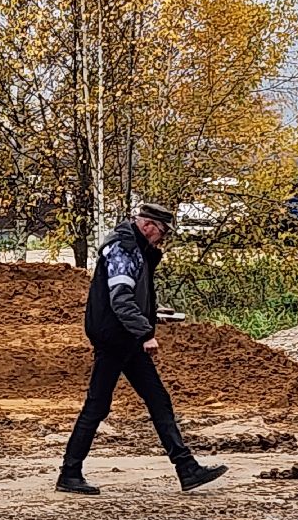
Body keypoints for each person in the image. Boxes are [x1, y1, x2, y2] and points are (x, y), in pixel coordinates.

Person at [57, 203, 227, 495]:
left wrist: (151, 312)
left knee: (157, 400)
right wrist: (145, 332)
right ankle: (69, 473)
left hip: (125, 337)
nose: (162, 238)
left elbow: (129, 296)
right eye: (161, 232)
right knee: (98, 406)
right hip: (115, 338)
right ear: (148, 225)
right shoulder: (123, 250)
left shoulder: (134, 248)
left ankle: (186, 468)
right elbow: (121, 299)